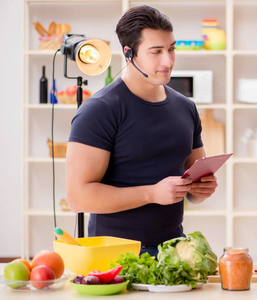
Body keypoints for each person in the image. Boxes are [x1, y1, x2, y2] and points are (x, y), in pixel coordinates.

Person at [66, 5, 217, 257]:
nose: (167, 61)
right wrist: (152, 193)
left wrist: (201, 190)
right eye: (156, 52)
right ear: (129, 53)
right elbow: (78, 197)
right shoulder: (100, 110)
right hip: (114, 255)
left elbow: (193, 187)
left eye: (171, 49)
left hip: (174, 251)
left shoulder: (186, 107)